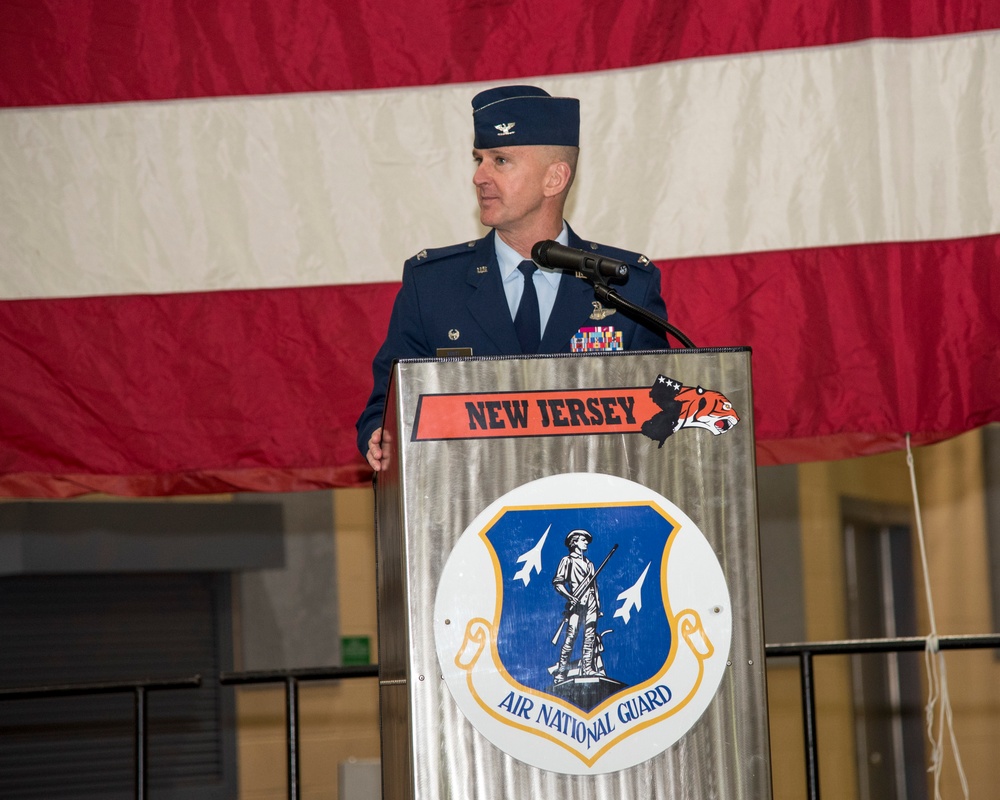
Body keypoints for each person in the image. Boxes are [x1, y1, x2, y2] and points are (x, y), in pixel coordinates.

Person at [357, 85, 670, 470]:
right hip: (467, 512)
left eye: (500, 160)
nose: (479, 177)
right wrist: (378, 434)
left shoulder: (626, 286)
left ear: (554, 179)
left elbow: (663, 412)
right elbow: (386, 405)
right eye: (479, 160)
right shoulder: (433, 286)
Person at [552, 529, 602, 681]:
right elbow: (558, 582)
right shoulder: (567, 561)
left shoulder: (590, 564)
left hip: (591, 603)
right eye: (583, 540)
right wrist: (569, 597)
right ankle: (561, 672)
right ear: (574, 542)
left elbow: (594, 586)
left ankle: (588, 669)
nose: (586, 542)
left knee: (590, 637)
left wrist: (597, 605)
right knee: (571, 637)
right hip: (577, 604)